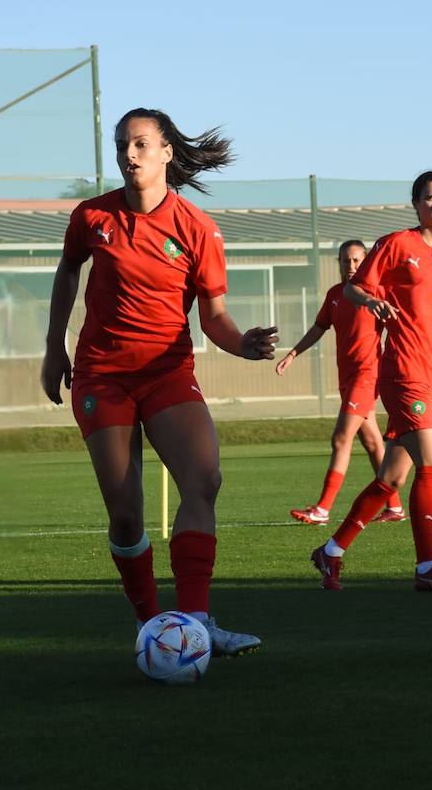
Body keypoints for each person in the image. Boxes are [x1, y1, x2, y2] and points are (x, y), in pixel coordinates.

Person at [41, 107, 278, 656]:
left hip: (168, 374)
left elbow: (214, 316)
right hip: (103, 376)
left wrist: (240, 342)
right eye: (123, 144)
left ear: (167, 151)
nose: (129, 153)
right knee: (126, 516)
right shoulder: (91, 217)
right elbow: (68, 270)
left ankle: (196, 622)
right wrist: (54, 345)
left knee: (205, 480)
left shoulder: (197, 228)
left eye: (141, 144)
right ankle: (154, 628)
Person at [308, 171, 432, 592]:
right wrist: (374, 301)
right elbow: (353, 291)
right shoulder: (395, 245)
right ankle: (427, 567)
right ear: (416, 203)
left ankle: (330, 552)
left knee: (392, 479)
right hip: (403, 370)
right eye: (429, 197)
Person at [275, 239, 407, 526]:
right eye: (346, 261)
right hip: (346, 378)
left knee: (340, 438)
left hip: (367, 375)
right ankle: (395, 507)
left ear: (367, 262)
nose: (351, 266)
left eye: (357, 260)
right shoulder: (336, 294)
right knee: (372, 442)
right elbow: (319, 327)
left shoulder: (377, 294)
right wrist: (293, 354)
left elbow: (403, 327)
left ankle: (322, 508)